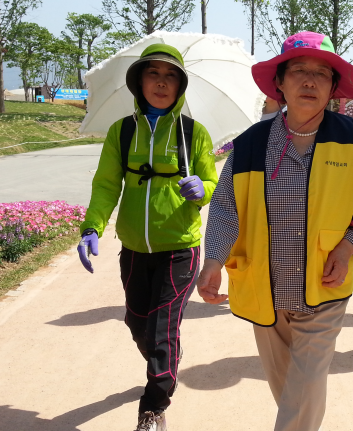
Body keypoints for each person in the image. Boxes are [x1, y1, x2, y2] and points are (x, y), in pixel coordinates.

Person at [196, 31, 353, 431]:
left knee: (305, 385)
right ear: (280, 82)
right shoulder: (250, 144)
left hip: (324, 286)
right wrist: (213, 260)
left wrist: (348, 246)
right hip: (264, 287)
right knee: (290, 391)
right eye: (299, 70)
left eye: (322, 73)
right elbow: (226, 208)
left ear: (333, 87)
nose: (310, 81)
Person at [76, 44, 219, 431]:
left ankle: (153, 408)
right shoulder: (122, 132)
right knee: (138, 322)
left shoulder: (193, 133)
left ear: (180, 85)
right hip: (135, 250)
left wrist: (201, 189)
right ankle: (166, 360)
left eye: (170, 75)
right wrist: (92, 227)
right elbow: (107, 186)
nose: (161, 82)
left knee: (160, 330)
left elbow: (212, 182)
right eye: (153, 73)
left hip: (180, 248)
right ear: (139, 82)